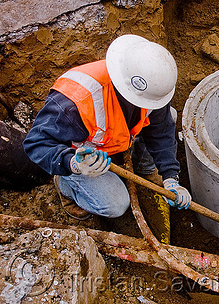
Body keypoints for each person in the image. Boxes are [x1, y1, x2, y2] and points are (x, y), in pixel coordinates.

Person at [23, 34, 191, 220]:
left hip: (116, 140)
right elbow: (35, 143)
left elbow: (161, 131)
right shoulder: (74, 103)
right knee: (115, 204)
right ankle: (66, 186)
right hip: (85, 158)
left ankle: (146, 171)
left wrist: (171, 177)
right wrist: (73, 163)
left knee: (170, 115)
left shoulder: (150, 88)